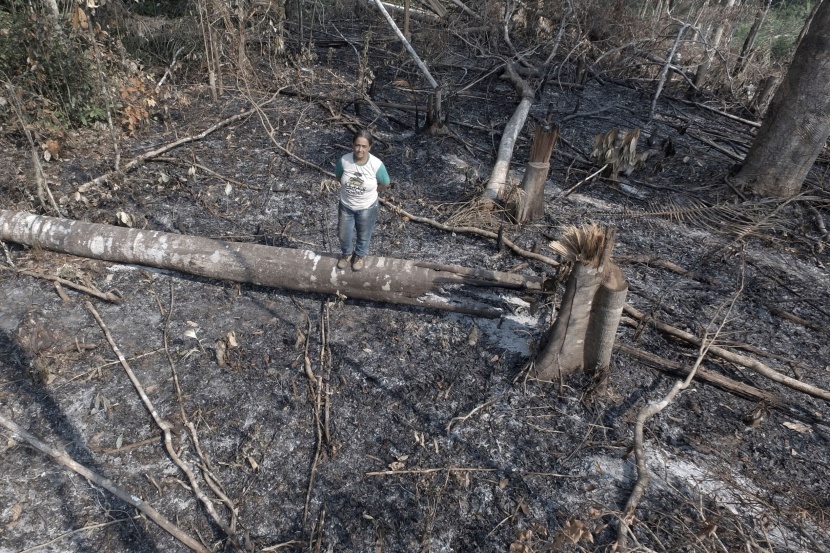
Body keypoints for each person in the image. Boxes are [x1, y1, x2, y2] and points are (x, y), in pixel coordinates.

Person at [334, 130, 391, 271]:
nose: (360, 149)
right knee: (343, 234)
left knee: (364, 234)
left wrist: (373, 191)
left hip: (367, 207)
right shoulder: (344, 160)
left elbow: (385, 183)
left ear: (369, 147)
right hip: (346, 205)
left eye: (364, 146)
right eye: (357, 145)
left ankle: (359, 256)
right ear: (353, 145)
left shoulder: (376, 165)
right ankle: (346, 254)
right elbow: (338, 176)